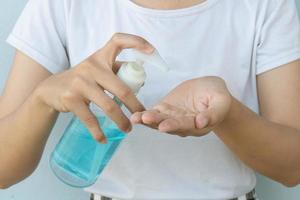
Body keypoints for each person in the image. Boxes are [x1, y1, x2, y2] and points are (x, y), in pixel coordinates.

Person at [0, 0, 300, 199]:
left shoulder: (265, 6)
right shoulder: (63, 5)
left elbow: (292, 168)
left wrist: (229, 115)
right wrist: (43, 98)